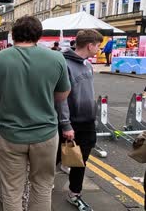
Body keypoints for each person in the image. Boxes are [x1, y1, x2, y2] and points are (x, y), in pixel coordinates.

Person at [0, 16, 71, 211]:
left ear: (13, 35)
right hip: (45, 135)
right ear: (39, 35)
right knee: (43, 187)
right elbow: (63, 94)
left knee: (12, 190)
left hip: (10, 135)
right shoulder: (56, 58)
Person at [55, 29, 103, 211]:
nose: (99, 49)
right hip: (70, 122)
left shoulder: (87, 65)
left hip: (87, 121)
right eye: (98, 45)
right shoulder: (65, 64)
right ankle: (41, 184)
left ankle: (74, 194)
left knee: (81, 160)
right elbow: (62, 98)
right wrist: (66, 124)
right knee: (55, 157)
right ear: (90, 45)